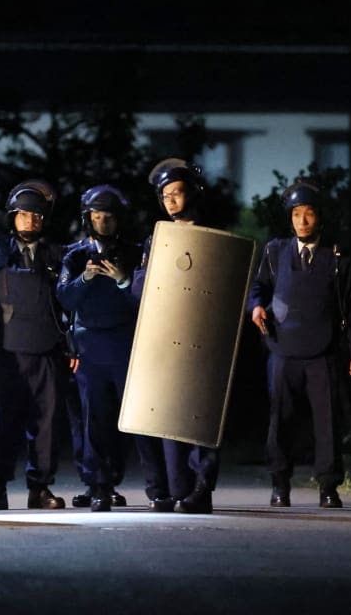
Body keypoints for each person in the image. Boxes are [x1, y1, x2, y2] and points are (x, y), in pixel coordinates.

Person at [248, 175, 351, 508]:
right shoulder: (275, 251)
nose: (302, 221)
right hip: (282, 349)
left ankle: (328, 487)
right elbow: (258, 288)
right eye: (296, 214)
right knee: (279, 419)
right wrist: (255, 307)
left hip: (323, 351)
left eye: (309, 213)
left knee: (326, 422)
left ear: (320, 217)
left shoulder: (339, 257)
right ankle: (279, 484)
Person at [0, 179, 70, 510]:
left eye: (37, 216)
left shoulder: (57, 255)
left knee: (48, 421)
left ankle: (39, 486)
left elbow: (70, 303)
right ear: (12, 217)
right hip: (7, 350)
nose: (31, 221)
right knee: (5, 420)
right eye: (24, 214)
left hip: (48, 347)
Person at [130, 158, 221, 514]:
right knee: (170, 414)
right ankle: (178, 488)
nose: (171, 201)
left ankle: (202, 487)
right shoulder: (157, 238)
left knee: (201, 415)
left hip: (202, 337)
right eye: (165, 195)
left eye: (177, 193)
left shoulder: (213, 236)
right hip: (168, 336)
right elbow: (141, 286)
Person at [56, 184, 142, 511]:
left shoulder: (134, 252)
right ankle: (97, 484)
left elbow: (144, 298)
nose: (103, 222)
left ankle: (119, 479)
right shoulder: (76, 255)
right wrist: (86, 278)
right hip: (89, 345)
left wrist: (122, 279)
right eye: (97, 215)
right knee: (92, 418)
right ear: (87, 218)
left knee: (126, 418)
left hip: (123, 344)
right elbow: (64, 297)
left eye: (109, 216)